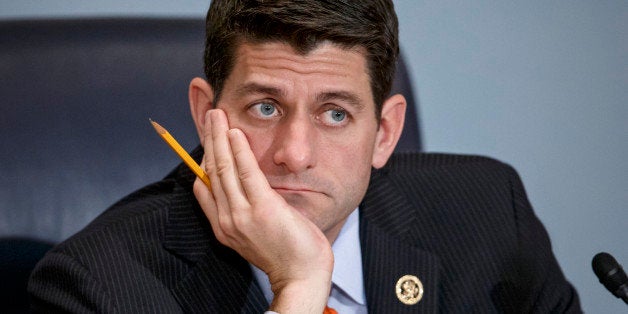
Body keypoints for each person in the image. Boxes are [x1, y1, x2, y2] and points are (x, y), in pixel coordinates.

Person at [29, 0, 582, 313]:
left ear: (385, 133)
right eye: (265, 108)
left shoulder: (487, 212)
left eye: (335, 113)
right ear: (206, 115)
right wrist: (299, 284)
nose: (294, 155)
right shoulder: (97, 286)